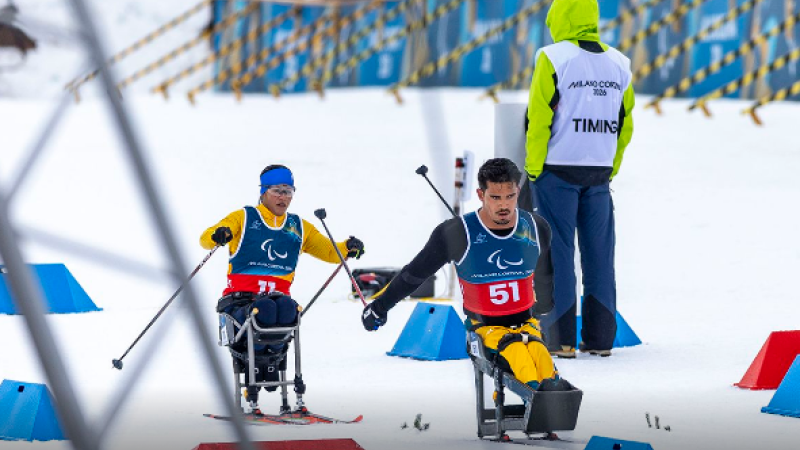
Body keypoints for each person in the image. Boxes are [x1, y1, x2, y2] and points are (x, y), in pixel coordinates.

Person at [362, 158, 563, 392]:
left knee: (545, 366)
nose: (504, 206)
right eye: (495, 198)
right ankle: (541, 405)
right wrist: (380, 307)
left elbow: (545, 275)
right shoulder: (458, 233)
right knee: (522, 363)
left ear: (518, 191)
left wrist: (544, 307)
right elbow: (414, 275)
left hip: (527, 325)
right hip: (486, 329)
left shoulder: (536, 228)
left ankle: (553, 407)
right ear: (480, 194)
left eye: (510, 196)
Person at [200, 164, 364, 410]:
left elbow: (330, 251)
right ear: (263, 192)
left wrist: (347, 247)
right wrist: (218, 234)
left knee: (288, 309)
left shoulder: (298, 227)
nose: (283, 197)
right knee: (265, 309)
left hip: (277, 300)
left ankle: (272, 366)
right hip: (240, 302)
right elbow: (205, 238)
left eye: (288, 191)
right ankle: (253, 376)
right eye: (277, 190)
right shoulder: (244, 218)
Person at [524, 0, 635, 358]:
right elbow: (625, 122)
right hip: (599, 173)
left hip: (556, 170)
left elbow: (538, 118)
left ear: (559, 17)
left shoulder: (553, 57)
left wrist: (533, 167)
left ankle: (561, 340)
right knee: (600, 257)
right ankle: (601, 340)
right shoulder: (620, 62)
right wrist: (611, 166)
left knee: (557, 255)